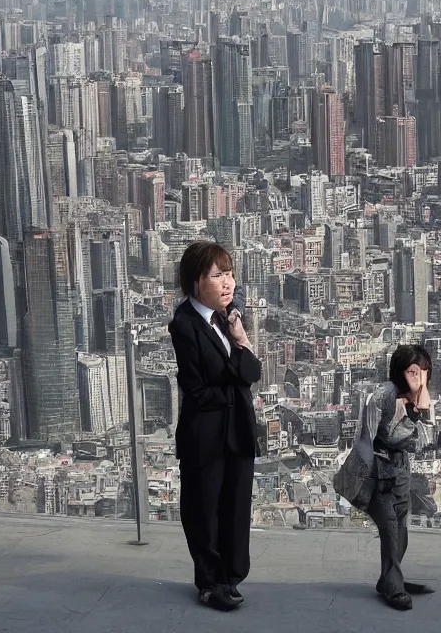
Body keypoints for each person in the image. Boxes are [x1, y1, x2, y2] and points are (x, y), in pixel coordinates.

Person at [169, 241, 261, 611]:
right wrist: (235, 374)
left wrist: (240, 343)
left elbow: (252, 373)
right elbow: (195, 390)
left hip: (237, 430)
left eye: (230, 273)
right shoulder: (184, 324)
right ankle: (208, 583)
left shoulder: (231, 316)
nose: (228, 283)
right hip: (204, 436)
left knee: (235, 508)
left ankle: (230, 577)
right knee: (204, 510)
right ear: (195, 283)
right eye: (217, 275)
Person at [365, 344, 441, 611]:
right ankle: (394, 588)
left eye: (424, 371)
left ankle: (389, 580)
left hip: (401, 473)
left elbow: (427, 439)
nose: (419, 377)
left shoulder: (416, 396)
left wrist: (420, 402)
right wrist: (415, 413)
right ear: (400, 372)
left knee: (401, 532)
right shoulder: (384, 396)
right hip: (380, 473)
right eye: (413, 371)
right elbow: (384, 436)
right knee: (390, 531)